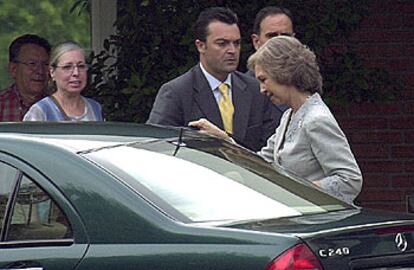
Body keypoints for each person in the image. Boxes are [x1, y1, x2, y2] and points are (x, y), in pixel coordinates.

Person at [189, 36, 363, 204]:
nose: (262, 89)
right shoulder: (290, 115)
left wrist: (295, 192)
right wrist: (225, 141)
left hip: (318, 225)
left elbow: (349, 180)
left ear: (284, 73)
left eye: (264, 80)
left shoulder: (316, 119)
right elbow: (263, 164)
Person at [147, 7, 278, 151]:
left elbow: (270, 148)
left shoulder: (255, 89)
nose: (232, 50)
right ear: (201, 46)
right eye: (222, 43)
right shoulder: (177, 92)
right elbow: (157, 149)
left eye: (237, 43)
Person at [23, 41, 103, 121]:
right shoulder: (41, 111)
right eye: (67, 67)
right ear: (52, 72)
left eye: (81, 66)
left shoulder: (95, 108)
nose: (76, 73)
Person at [247, 6, 296, 122]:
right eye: (272, 36)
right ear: (256, 42)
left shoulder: (304, 84)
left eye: (285, 36)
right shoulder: (241, 90)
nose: (279, 42)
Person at [0, 34, 51, 121]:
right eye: (32, 64)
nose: (40, 71)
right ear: (13, 69)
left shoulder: (59, 106)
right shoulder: (2, 104)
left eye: (45, 64)